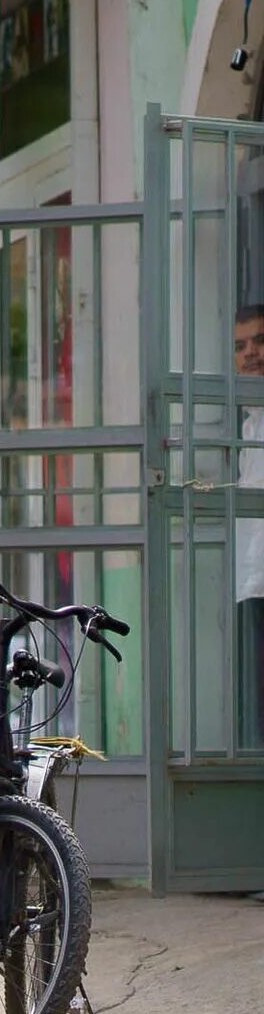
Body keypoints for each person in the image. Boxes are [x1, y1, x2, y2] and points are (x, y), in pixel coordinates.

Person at [233, 305, 264, 745]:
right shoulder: (247, 427)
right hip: (254, 584)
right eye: (241, 346)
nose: (251, 354)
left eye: (260, 341)